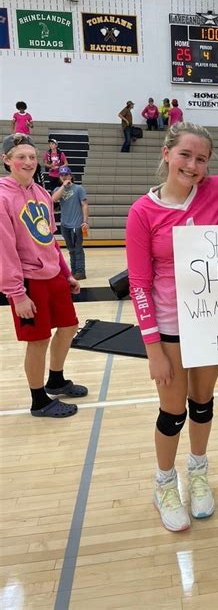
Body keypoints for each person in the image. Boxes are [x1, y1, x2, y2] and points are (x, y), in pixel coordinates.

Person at [125, 122, 218, 532]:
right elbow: (138, 284)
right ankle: (164, 484)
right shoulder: (142, 212)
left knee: (203, 403)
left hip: (211, 321)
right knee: (173, 412)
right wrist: (153, 348)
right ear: (167, 153)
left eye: (202, 159)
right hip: (171, 326)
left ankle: (197, 472)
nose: (193, 165)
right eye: (186, 155)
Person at [0, 134, 87, 418]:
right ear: (7, 160)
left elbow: (49, 239)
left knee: (69, 326)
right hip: (27, 280)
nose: (28, 162)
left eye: (32, 157)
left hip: (53, 275)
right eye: (21, 157)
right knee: (38, 340)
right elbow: (4, 249)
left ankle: (56, 379)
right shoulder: (3, 197)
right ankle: (39, 401)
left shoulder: (40, 193)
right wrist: (17, 294)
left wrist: (66, 273)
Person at [52, 166, 89, 280]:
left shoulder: (79, 189)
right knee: (70, 249)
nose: (64, 177)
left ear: (71, 176)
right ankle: (74, 271)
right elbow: (53, 199)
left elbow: (84, 205)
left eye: (66, 175)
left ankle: (81, 272)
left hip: (77, 224)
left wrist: (85, 221)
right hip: (65, 224)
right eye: (62, 175)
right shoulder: (58, 189)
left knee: (77, 248)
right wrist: (63, 186)